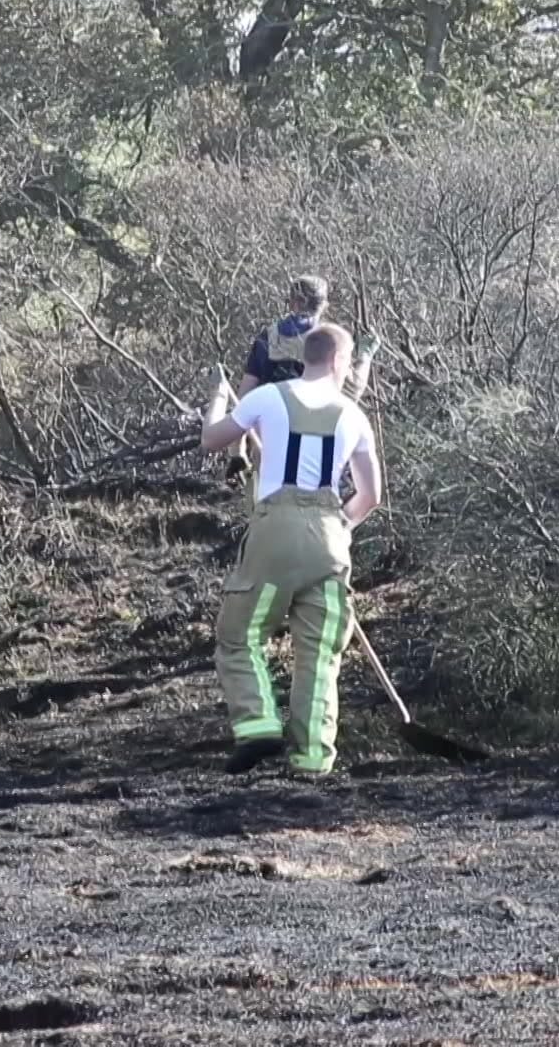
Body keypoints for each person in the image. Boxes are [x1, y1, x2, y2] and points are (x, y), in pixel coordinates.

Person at [197, 324, 384, 777]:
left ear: (307, 357)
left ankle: (259, 723)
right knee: (320, 653)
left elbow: (212, 440)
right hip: (328, 538)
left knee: (241, 635)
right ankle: (313, 759)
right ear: (341, 362)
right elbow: (370, 495)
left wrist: (219, 398)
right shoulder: (353, 415)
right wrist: (342, 527)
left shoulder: (268, 397)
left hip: (274, 534)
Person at [227, 275, 377, 491]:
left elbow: (243, 398)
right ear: (323, 304)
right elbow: (352, 390)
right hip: (313, 439)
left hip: (267, 440)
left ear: (291, 301)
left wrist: (237, 451)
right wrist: (365, 356)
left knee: (265, 504)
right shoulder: (325, 340)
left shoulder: (266, 339)